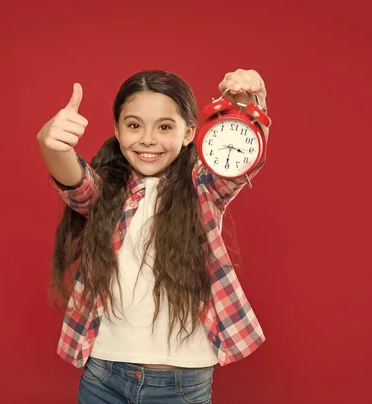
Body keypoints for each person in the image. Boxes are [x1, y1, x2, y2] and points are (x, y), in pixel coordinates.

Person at [37, 68, 270, 403]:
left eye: (164, 127)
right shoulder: (107, 192)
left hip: (182, 382)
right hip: (104, 373)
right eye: (134, 125)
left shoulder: (203, 189)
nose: (148, 139)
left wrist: (245, 109)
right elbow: (75, 183)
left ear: (190, 132)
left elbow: (242, 160)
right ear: (117, 130)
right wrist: (52, 145)